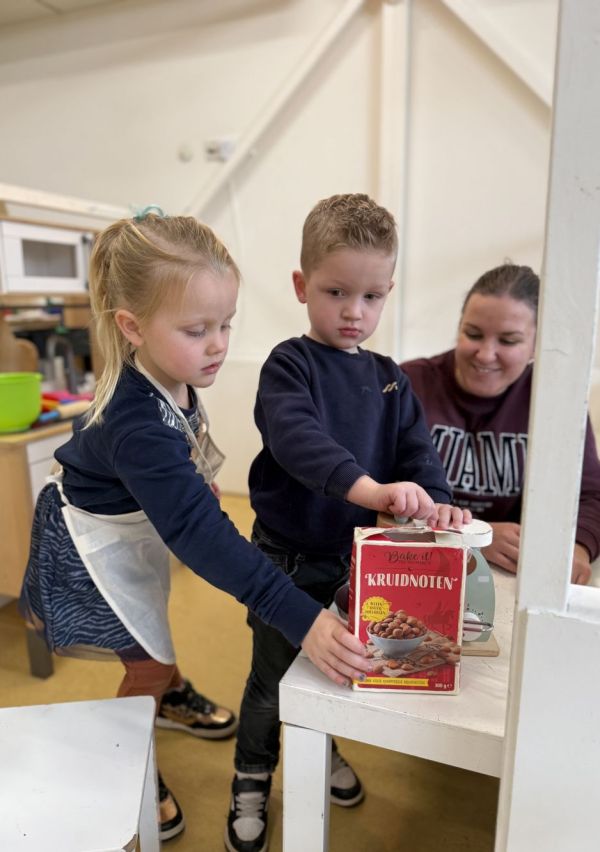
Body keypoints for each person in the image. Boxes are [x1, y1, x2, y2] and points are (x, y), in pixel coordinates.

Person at [19, 210, 371, 843]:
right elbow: (202, 537)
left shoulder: (172, 373)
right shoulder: (134, 419)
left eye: (226, 324)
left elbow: (177, 467)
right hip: (89, 544)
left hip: (131, 528)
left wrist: (189, 479)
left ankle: (170, 693)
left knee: (151, 631)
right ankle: (130, 760)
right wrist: (302, 616)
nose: (218, 344)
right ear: (132, 327)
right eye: (196, 329)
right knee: (145, 660)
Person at [225, 193, 471, 852]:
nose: (355, 312)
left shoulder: (392, 379)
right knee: (274, 681)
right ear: (303, 286)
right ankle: (251, 773)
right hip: (287, 562)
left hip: (357, 562)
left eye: (372, 296)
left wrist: (437, 497)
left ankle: (319, 749)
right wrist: (370, 488)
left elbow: (417, 452)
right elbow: (297, 438)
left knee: (335, 675)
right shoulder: (288, 365)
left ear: (388, 293)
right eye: (336, 291)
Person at [400, 262, 600, 585]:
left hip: (506, 579)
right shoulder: (409, 383)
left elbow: (591, 494)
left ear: (537, 345)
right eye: (473, 334)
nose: (485, 354)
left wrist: (577, 547)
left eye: (508, 341)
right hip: (418, 566)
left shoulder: (554, 401)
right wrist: (474, 535)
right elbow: (371, 490)